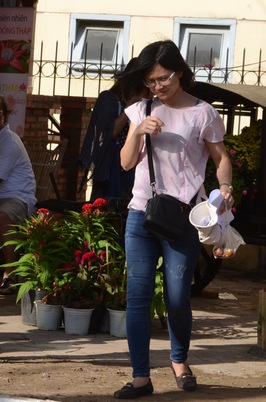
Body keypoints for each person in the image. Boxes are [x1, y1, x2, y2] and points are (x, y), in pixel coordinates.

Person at [112, 40, 234, 399]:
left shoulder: (202, 113)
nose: (157, 87)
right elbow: (125, 163)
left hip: (183, 217)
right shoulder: (140, 110)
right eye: (150, 81)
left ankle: (179, 360)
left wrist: (225, 186)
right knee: (137, 296)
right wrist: (138, 131)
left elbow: (220, 157)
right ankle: (140, 377)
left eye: (163, 79)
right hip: (141, 214)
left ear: (179, 72)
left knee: (178, 296)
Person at [0, 92, 36, 295]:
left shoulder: (10, 142)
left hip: (16, 196)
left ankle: (10, 275)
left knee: (4, 215)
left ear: (5, 115)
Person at [79, 58, 145, 200]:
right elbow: (111, 132)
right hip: (111, 166)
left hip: (136, 165)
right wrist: (131, 106)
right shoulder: (109, 99)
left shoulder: (147, 104)